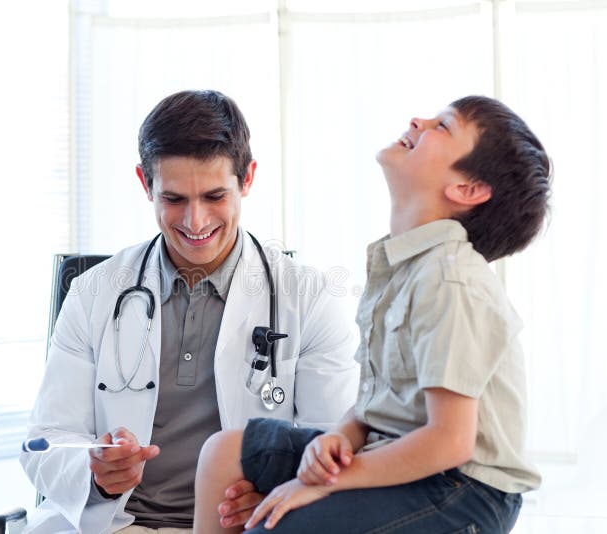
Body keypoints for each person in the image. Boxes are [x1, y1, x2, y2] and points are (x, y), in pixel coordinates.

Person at [193, 95, 550, 533]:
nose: (418, 120)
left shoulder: (453, 279)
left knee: (275, 525)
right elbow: (373, 406)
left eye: (443, 126)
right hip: (392, 450)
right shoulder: (400, 267)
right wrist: (335, 442)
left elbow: (450, 441)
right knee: (224, 454)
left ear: (468, 189)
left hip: (463, 491)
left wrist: (328, 485)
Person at [19, 89, 360, 534]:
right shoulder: (91, 293)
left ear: (248, 179)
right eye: (174, 199)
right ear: (146, 184)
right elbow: (42, 443)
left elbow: (333, 447)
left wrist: (276, 490)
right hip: (115, 525)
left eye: (215, 196)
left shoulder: (309, 297)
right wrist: (95, 471)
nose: (195, 222)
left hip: (237, 526)